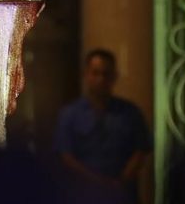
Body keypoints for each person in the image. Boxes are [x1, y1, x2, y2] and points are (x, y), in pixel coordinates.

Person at [54, 48, 152, 203]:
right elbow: (65, 156)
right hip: (83, 194)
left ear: (114, 77)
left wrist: (120, 182)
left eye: (106, 74)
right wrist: (98, 183)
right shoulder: (70, 114)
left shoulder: (130, 112)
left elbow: (141, 150)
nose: (100, 79)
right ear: (86, 75)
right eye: (95, 73)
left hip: (122, 194)